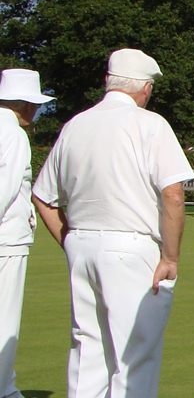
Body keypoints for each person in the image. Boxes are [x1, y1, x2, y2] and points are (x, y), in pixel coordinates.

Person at [31, 49, 193, 398]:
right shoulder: (150, 124)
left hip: (81, 244)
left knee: (87, 350)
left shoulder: (75, 124)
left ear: (108, 82)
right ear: (146, 88)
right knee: (135, 355)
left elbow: (43, 197)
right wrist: (170, 257)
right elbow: (174, 194)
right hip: (131, 247)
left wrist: (69, 239)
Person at [0, 68, 50, 398]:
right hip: (7, 240)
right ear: (25, 104)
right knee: (4, 321)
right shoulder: (13, 134)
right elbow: (4, 189)